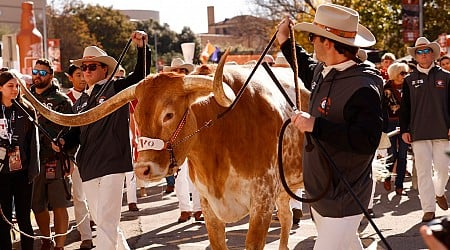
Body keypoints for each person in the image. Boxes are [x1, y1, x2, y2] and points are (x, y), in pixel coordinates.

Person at [278, 4, 383, 249]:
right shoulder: (324, 72)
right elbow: (303, 65)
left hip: (345, 195)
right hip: (322, 192)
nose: (311, 42)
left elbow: (366, 141)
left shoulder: (363, 86)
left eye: (313, 37)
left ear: (328, 42)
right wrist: (285, 40)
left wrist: (315, 125)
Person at [70, 31, 150, 249]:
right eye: (83, 67)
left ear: (104, 69)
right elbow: (74, 135)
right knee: (104, 222)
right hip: (87, 166)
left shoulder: (116, 88)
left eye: (92, 66)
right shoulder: (79, 103)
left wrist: (142, 47)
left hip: (113, 163)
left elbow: (140, 77)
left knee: (106, 223)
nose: (86, 71)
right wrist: (62, 143)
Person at [400, 36, 450, 222]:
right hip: (418, 132)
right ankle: (428, 209)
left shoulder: (446, 77)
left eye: (426, 51)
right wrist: (404, 129)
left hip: (443, 131)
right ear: (415, 56)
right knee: (423, 172)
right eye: (419, 52)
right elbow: (405, 108)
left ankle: (439, 192)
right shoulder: (409, 79)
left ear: (433, 54)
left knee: (444, 169)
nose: (422, 54)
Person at [30, 58, 76, 250]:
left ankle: (59, 245)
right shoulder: (24, 98)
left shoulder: (62, 101)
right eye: (35, 72)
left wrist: (70, 157)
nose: (37, 76)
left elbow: (73, 131)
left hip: (56, 159)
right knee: (37, 204)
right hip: (33, 161)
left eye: (42, 73)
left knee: (59, 204)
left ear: (50, 75)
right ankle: (45, 239)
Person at [0, 71, 39, 250]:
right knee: (3, 220)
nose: (15, 89)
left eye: (17, 86)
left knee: (25, 219)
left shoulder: (27, 110)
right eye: (10, 86)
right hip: (1, 173)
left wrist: (33, 170)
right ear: (0, 88)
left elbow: (33, 143)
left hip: (22, 172)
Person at [65, 64, 94, 249]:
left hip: (94, 153)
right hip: (75, 156)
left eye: (84, 74)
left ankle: (94, 220)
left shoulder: (96, 95)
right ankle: (86, 235)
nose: (83, 78)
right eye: (78, 74)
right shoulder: (65, 100)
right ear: (70, 77)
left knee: (94, 195)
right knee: (79, 195)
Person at [382, 62, 411, 195]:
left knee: (403, 155)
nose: (405, 76)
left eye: (406, 73)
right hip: (390, 124)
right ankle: (387, 177)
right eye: (402, 73)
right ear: (394, 73)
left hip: (406, 124)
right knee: (392, 153)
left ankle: (399, 185)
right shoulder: (386, 88)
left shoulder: (408, 86)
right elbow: (382, 108)